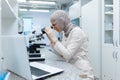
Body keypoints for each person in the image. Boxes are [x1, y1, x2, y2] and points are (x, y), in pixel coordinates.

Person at [44, 10, 94, 80]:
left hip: (82, 71)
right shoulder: (66, 33)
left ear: (61, 21)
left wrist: (55, 39)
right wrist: (52, 41)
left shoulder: (77, 32)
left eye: (54, 25)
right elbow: (62, 54)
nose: (54, 28)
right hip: (73, 69)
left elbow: (67, 55)